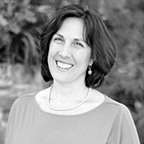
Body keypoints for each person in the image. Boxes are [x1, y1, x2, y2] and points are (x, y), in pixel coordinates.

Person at [5, 3, 140, 144]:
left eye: (77, 44)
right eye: (59, 39)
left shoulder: (116, 116)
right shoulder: (21, 108)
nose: (64, 52)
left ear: (92, 57)